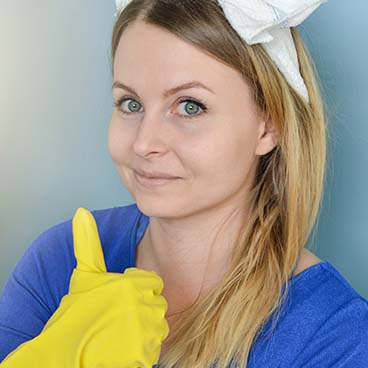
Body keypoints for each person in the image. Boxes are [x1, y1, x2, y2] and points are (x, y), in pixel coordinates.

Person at [1, 1, 367, 367]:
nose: (144, 143)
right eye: (130, 104)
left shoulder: (336, 336)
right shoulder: (59, 261)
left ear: (269, 125)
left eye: (190, 106)